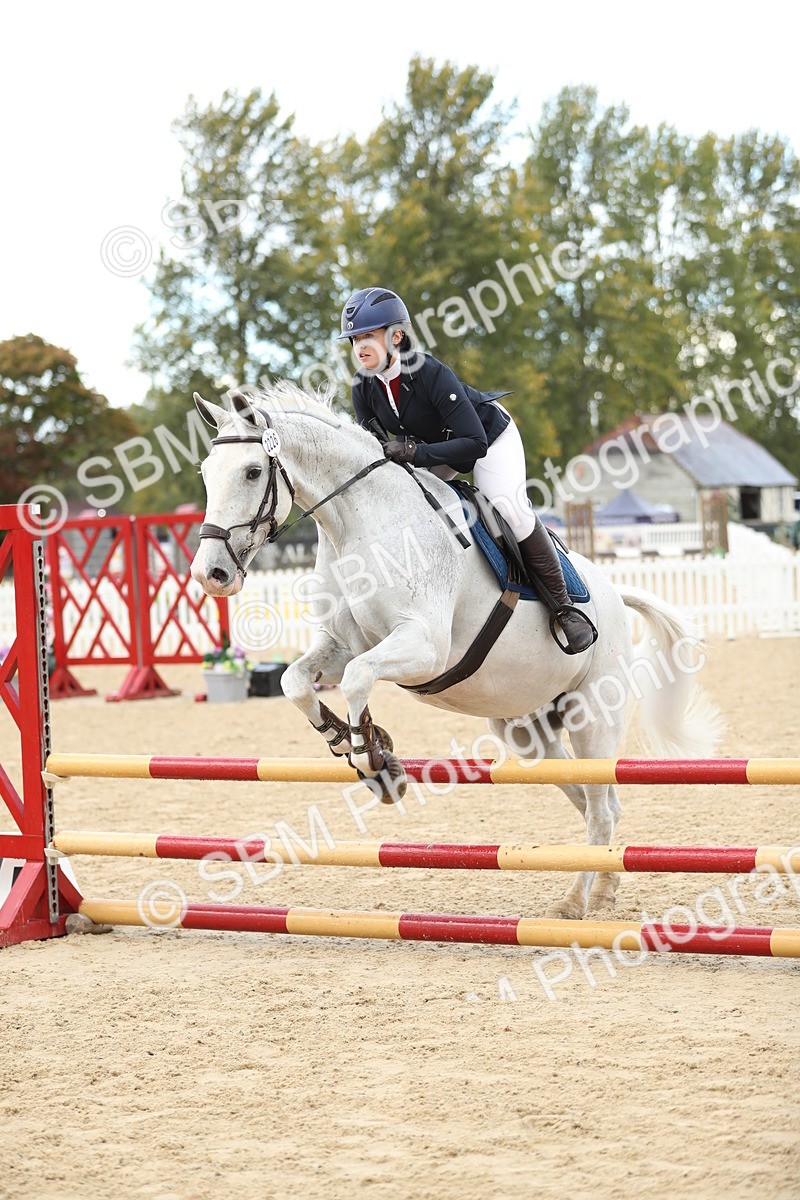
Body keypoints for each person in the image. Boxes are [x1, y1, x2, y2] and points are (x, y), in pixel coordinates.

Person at [337, 286, 596, 653]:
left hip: (489, 438)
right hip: (435, 449)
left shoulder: (429, 373)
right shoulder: (363, 386)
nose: (359, 346)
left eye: (367, 336)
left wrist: (412, 451)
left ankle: (565, 608)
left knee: (508, 507)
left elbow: (474, 444)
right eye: (354, 339)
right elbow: (374, 445)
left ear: (396, 336)